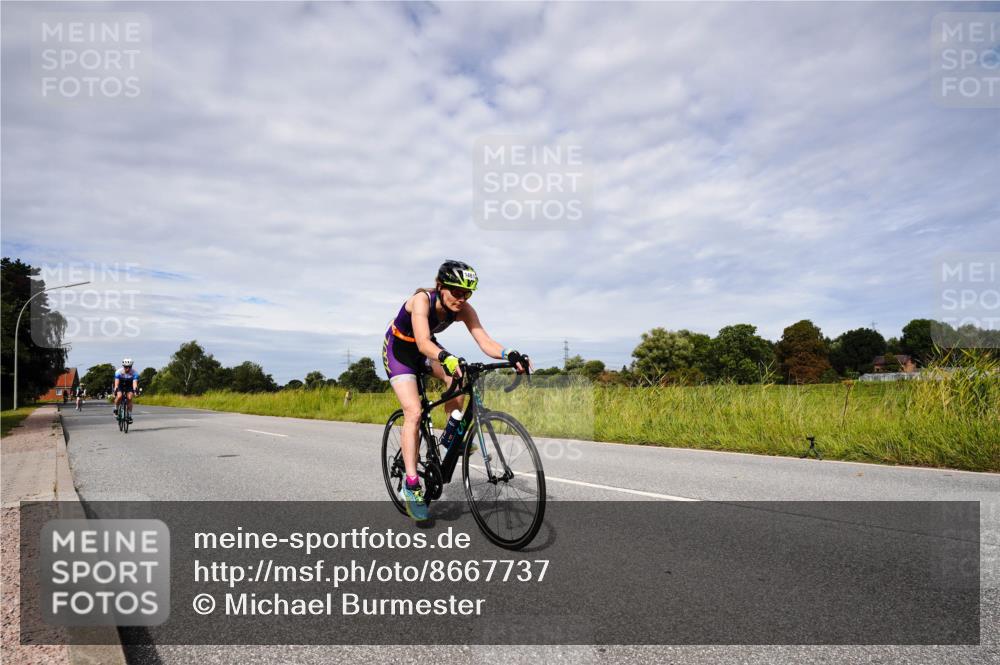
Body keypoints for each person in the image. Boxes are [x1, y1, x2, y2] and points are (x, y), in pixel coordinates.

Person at [382, 260, 529, 521]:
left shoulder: (464, 309)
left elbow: (485, 341)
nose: (462, 299)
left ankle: (451, 437)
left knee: (460, 379)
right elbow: (424, 341)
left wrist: (510, 353)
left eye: (467, 293)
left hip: (427, 350)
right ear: (440, 286)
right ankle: (412, 485)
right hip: (401, 352)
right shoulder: (421, 300)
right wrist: (446, 357)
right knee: (414, 412)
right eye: (457, 292)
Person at [112, 358, 139, 424]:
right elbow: (116, 383)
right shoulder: (118, 372)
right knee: (119, 396)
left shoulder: (134, 373)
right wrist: (115, 389)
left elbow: (134, 383)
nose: (127, 368)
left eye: (129, 367)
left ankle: (129, 416)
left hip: (129, 385)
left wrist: (136, 390)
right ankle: (116, 409)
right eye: (126, 367)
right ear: (123, 366)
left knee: (129, 398)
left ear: (131, 366)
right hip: (120, 384)